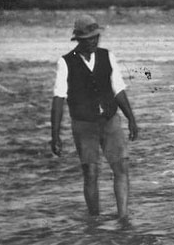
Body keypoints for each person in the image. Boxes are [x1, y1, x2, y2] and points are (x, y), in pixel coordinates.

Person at [50, 14, 139, 220]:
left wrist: (131, 119)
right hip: (84, 125)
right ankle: (95, 221)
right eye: (88, 38)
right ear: (79, 40)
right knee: (90, 173)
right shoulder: (65, 62)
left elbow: (118, 90)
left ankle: (123, 217)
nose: (93, 41)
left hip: (110, 120)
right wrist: (54, 135)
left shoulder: (107, 56)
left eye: (95, 37)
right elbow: (58, 99)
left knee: (121, 167)